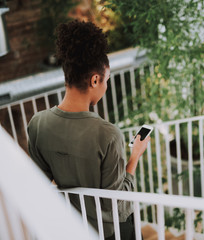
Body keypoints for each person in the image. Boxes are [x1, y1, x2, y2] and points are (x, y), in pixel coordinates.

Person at [27, 20, 149, 240]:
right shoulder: (108, 135)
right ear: (95, 80)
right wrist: (135, 156)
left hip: (72, 230)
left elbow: (40, 187)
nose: (106, 86)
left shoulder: (37, 124)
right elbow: (117, 206)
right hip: (110, 233)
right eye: (107, 80)